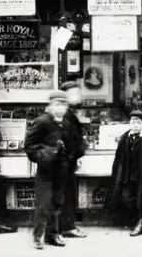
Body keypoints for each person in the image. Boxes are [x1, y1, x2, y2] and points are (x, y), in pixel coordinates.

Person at [105, 110, 142, 236]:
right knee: (126, 198)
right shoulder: (125, 138)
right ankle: (136, 220)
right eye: (133, 121)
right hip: (127, 175)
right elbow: (119, 157)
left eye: (138, 122)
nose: (135, 124)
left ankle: (141, 223)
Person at [25, 90, 68, 249]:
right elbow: (29, 146)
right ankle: (38, 236)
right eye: (57, 104)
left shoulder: (66, 122)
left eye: (64, 104)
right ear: (50, 105)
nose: (61, 107)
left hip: (60, 168)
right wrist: (41, 158)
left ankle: (53, 235)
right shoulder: (42, 121)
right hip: (45, 169)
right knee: (43, 203)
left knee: (57, 202)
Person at [57, 81, 87, 238]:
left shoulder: (70, 115)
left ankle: (66, 226)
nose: (78, 97)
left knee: (68, 195)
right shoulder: (66, 117)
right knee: (67, 196)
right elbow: (68, 142)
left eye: (78, 93)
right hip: (65, 164)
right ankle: (67, 227)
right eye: (74, 94)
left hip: (69, 163)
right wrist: (74, 155)